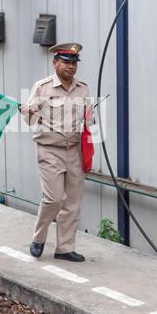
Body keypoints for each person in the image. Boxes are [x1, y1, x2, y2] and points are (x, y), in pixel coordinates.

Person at [19, 42, 94, 262]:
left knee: (72, 202)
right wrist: (28, 111)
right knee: (53, 199)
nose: (70, 66)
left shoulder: (83, 88)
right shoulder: (42, 87)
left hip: (75, 152)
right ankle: (39, 239)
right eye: (66, 62)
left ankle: (65, 248)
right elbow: (30, 119)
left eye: (73, 63)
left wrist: (91, 142)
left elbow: (89, 120)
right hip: (49, 150)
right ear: (55, 63)